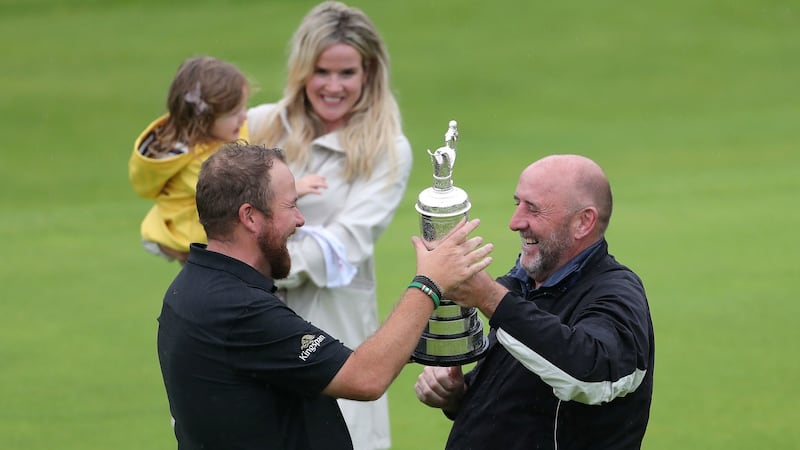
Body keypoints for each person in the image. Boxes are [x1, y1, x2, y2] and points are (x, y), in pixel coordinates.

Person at [156, 142, 493, 450]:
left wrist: (417, 338)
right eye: (291, 206)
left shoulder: (189, 290)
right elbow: (365, 378)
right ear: (250, 217)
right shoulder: (239, 310)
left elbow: (325, 363)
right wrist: (428, 283)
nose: (300, 220)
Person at [247, 2, 411, 448]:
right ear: (302, 69)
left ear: (369, 73)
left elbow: (344, 243)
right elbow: (210, 206)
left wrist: (245, 263)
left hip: (331, 327)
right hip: (248, 319)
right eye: (322, 71)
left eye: (347, 73)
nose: (333, 86)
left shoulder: (387, 149)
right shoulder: (259, 124)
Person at [414, 154, 655, 449]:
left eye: (534, 209)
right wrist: (458, 395)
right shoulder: (524, 285)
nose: (515, 222)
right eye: (517, 203)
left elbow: (595, 377)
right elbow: (519, 398)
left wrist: (492, 299)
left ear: (583, 222)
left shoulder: (616, 292)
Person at [129, 55, 249, 264]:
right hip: (194, 241)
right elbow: (237, 196)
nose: (244, 116)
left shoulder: (225, 133)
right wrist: (294, 188)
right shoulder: (199, 162)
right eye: (234, 112)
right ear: (204, 121)